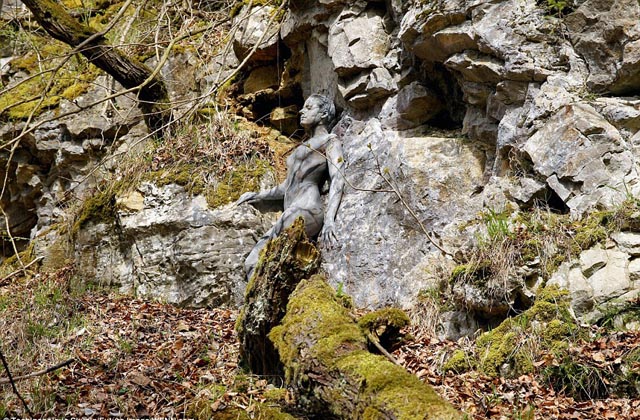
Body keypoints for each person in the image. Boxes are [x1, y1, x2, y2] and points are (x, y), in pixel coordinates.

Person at [236, 94, 344, 279]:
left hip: (307, 208)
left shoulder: (330, 140)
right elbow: (288, 186)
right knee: (251, 263)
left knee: (257, 261)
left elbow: (338, 177)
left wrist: (330, 220)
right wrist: (257, 195)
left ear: (324, 113)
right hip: (293, 209)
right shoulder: (303, 146)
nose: (302, 111)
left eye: (309, 107)